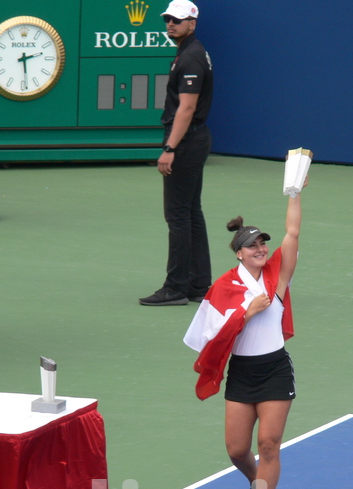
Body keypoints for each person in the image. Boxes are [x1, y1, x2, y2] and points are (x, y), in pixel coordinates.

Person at [183, 178, 306, 489]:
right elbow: (213, 336)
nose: (261, 248)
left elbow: (293, 233)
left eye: (263, 243)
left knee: (268, 443)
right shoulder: (222, 288)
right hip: (242, 373)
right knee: (238, 450)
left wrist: (295, 191)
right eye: (253, 245)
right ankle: (259, 484)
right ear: (238, 252)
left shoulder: (277, 279)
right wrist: (248, 312)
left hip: (274, 370)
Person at [139, 0, 213, 306]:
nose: (171, 24)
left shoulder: (191, 57)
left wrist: (170, 147)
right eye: (168, 19)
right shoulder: (189, 52)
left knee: (179, 216)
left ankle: (176, 288)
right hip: (195, 140)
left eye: (177, 20)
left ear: (191, 24)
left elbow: (187, 107)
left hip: (185, 143)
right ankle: (198, 286)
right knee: (191, 212)